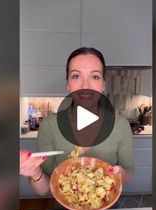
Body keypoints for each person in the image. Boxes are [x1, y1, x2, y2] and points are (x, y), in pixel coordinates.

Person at [20, 47, 134, 195]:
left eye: (94, 77)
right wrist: (35, 173)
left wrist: (121, 174)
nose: (85, 86)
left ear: (103, 84)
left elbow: (129, 172)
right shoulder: (49, 125)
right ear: (68, 83)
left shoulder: (121, 125)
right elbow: (44, 189)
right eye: (76, 76)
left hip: (107, 208)